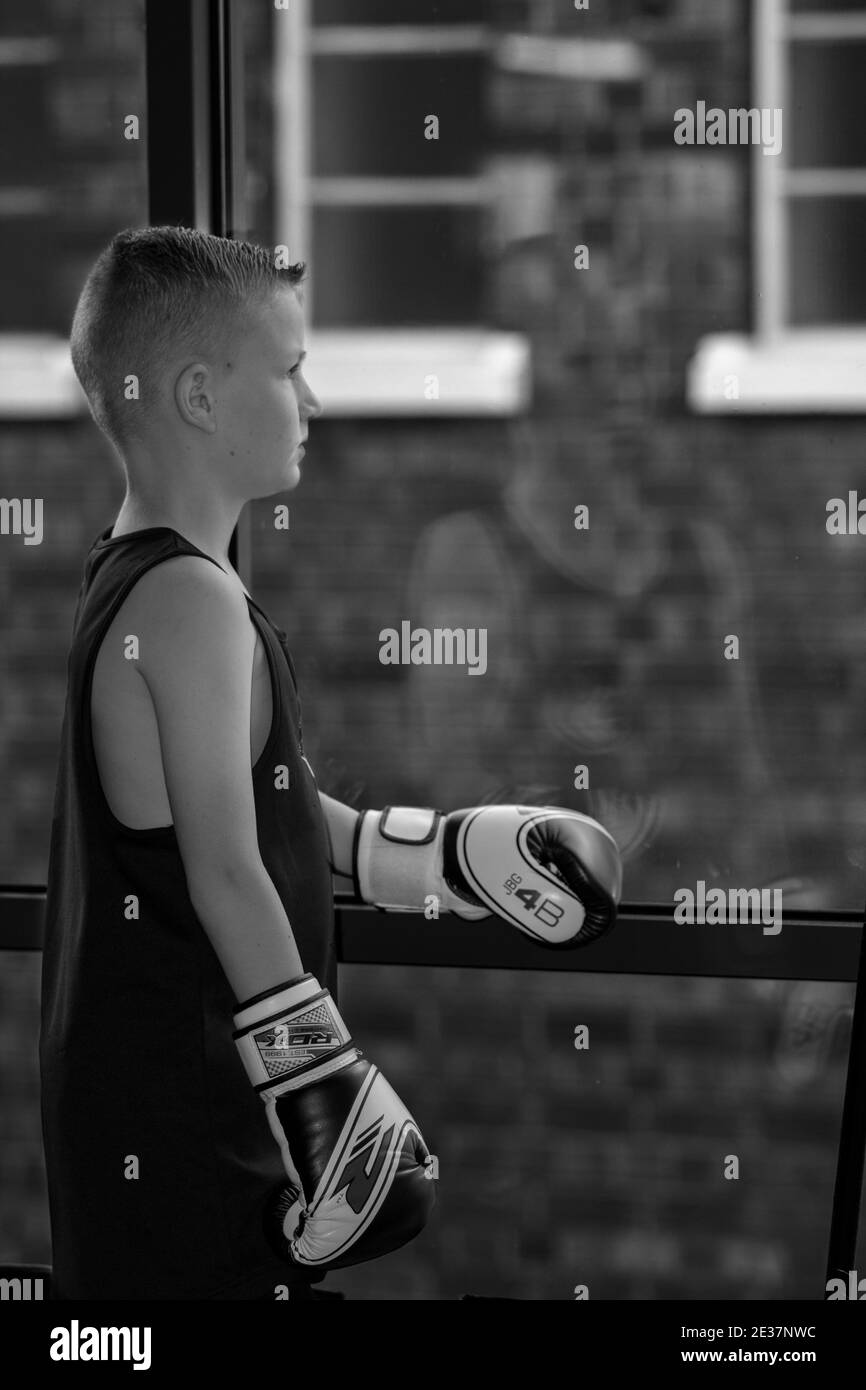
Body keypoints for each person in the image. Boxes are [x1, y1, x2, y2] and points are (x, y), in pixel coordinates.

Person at [40, 225, 621, 1300]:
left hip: (169, 1112)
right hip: (195, 1122)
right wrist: (323, 1085)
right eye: (291, 369)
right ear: (202, 397)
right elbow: (223, 865)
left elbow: (264, 809)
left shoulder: (140, 584)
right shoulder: (189, 601)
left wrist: (440, 856)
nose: (312, 403)